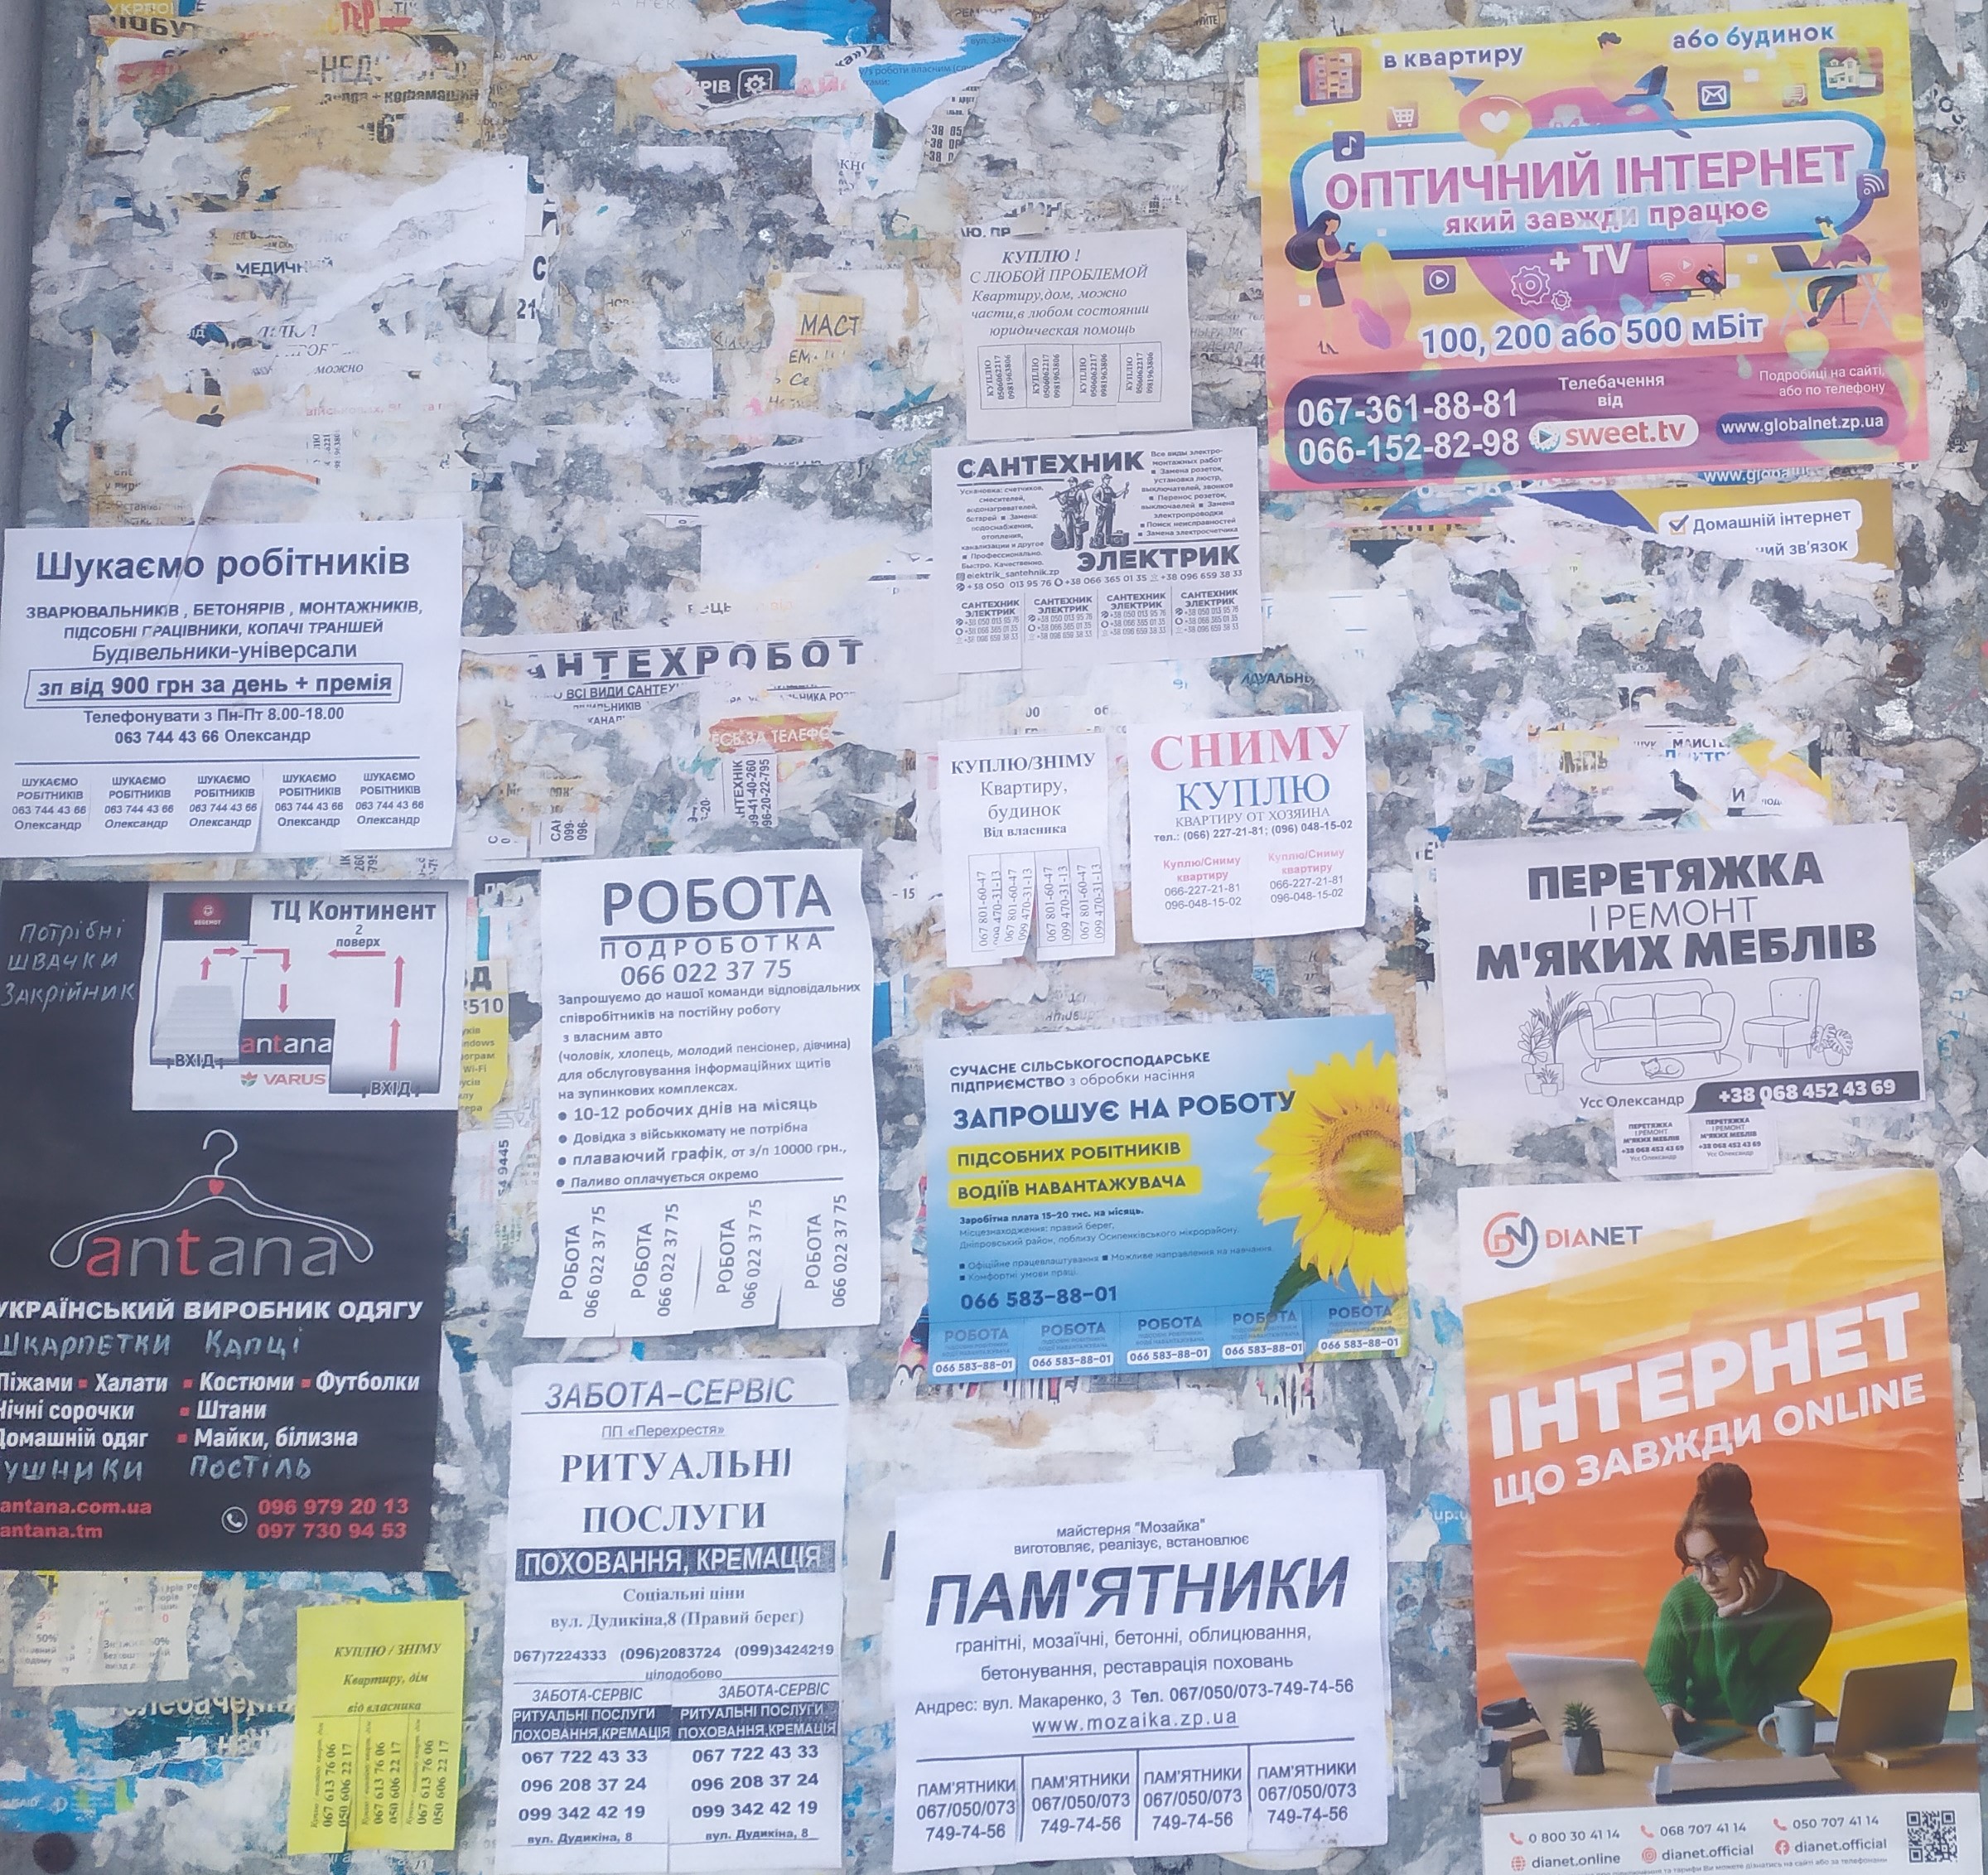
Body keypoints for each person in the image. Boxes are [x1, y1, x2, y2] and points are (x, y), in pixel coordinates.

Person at [1644, 1462, 1831, 1731]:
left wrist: (1727, 1623)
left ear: (1755, 1547)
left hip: (1767, 1735)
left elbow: (1753, 1711)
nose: (1706, 1580)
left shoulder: (1808, 1612)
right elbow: (1658, 1685)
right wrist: (1667, 1704)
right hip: (1698, 1734)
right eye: (1696, 1565)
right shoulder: (1682, 1601)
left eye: (1717, 1560)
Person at [1283, 210, 1356, 354]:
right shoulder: (1321, 239)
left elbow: (1339, 257)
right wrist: (1337, 254)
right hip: (1325, 275)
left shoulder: (1333, 237)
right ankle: (1325, 342)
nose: (1336, 226)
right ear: (1327, 222)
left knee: (1332, 312)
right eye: (1334, 223)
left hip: (1332, 274)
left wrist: (1348, 252)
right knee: (1328, 313)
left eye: (1338, 224)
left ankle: (1327, 341)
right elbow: (1326, 257)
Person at [1806, 215, 1872, 327]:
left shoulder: (1849, 239)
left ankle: (1819, 319)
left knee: (1832, 292)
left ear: (1832, 227)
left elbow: (1867, 260)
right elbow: (1819, 263)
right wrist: (1805, 264)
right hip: (1837, 275)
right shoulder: (1827, 245)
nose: (1823, 232)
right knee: (1813, 286)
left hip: (1850, 278)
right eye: (1821, 229)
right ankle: (1815, 313)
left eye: (1825, 228)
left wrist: (1848, 264)